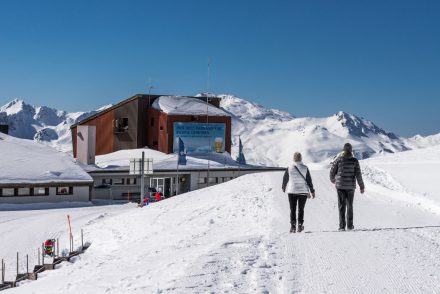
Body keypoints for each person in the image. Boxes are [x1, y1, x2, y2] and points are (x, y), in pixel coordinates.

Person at [330, 143, 365, 231]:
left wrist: (333, 180)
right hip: (350, 187)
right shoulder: (355, 161)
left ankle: (342, 226)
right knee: (350, 205)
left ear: (343, 150)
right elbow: (358, 175)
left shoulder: (338, 160)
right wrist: (361, 186)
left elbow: (332, 171)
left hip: (340, 186)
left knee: (341, 205)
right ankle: (350, 226)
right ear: (351, 151)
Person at [282, 152, 315, 233]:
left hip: (292, 191)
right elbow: (309, 180)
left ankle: (293, 226)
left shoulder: (289, 168)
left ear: (294, 158)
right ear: (301, 158)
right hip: (303, 192)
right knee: (301, 209)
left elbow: (285, 178)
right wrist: (312, 191)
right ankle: (300, 225)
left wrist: (284, 187)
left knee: (292, 209)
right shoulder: (305, 168)